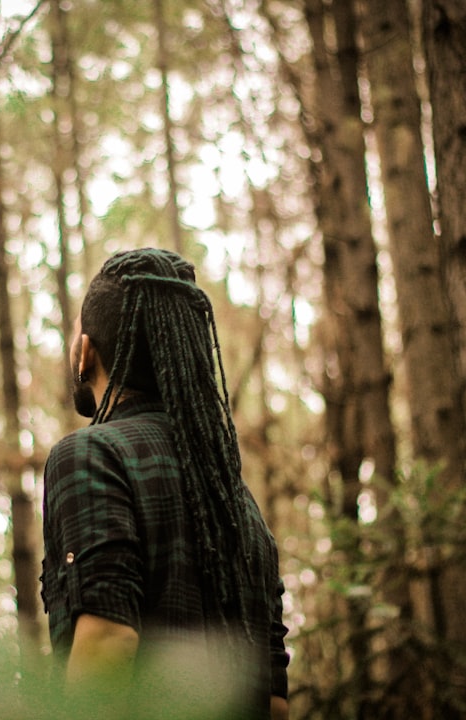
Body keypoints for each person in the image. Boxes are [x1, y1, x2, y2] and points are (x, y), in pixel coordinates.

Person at [41, 248, 290, 720]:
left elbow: (107, 643)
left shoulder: (90, 455)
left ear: (85, 351)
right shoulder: (237, 501)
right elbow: (275, 703)